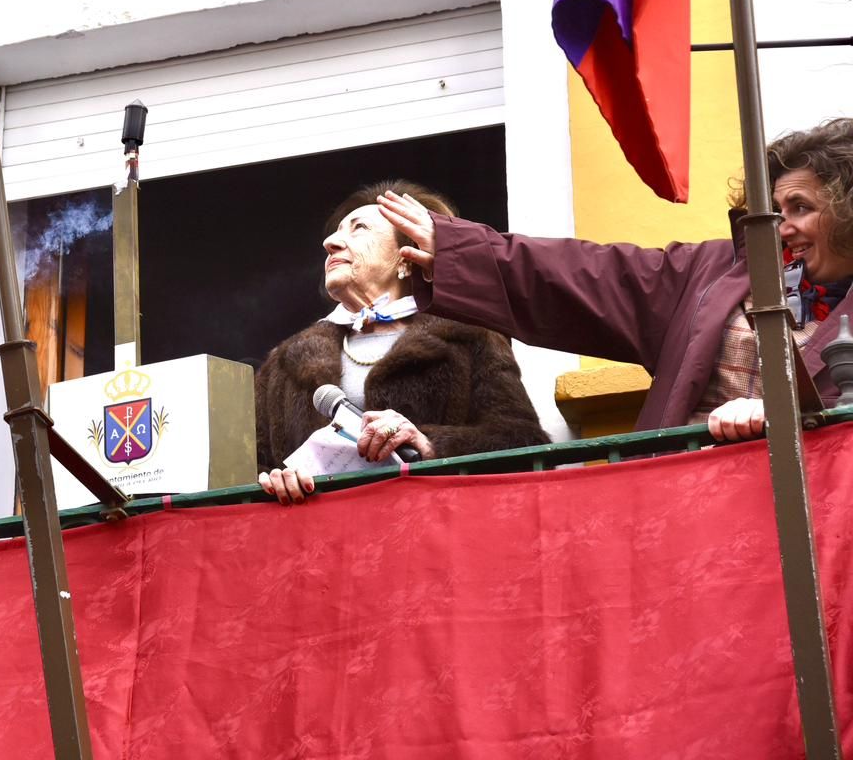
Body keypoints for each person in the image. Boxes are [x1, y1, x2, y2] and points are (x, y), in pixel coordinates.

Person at [378, 118, 853, 444]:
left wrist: (783, 420)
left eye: (800, 208)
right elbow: (587, 277)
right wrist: (460, 252)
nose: (779, 227)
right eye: (771, 210)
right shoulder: (711, 272)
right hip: (690, 513)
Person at [256, 181, 550, 504]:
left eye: (359, 229)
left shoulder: (469, 338)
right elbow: (249, 469)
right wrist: (276, 482)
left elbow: (524, 444)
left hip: (433, 537)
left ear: (404, 259)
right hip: (324, 545)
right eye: (336, 231)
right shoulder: (284, 363)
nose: (330, 242)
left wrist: (428, 442)